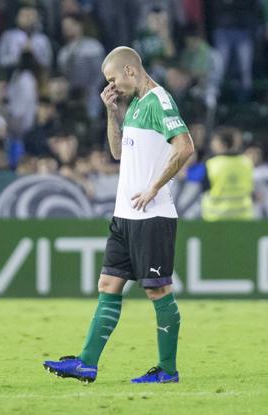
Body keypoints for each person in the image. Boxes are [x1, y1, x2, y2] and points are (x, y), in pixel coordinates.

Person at [43, 47, 194, 384]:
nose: (111, 85)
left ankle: (168, 370)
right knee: (108, 285)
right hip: (125, 216)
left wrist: (154, 187)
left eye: (113, 79)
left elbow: (185, 147)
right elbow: (115, 152)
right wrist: (112, 112)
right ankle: (86, 363)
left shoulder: (159, 101)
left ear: (130, 70)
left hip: (152, 215)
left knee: (158, 291)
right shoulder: (137, 105)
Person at [201, 127, 254, 221]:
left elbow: (204, 188)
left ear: (223, 144)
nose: (212, 145)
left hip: (216, 217)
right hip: (243, 217)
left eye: (215, 142)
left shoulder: (211, 164)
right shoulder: (247, 162)